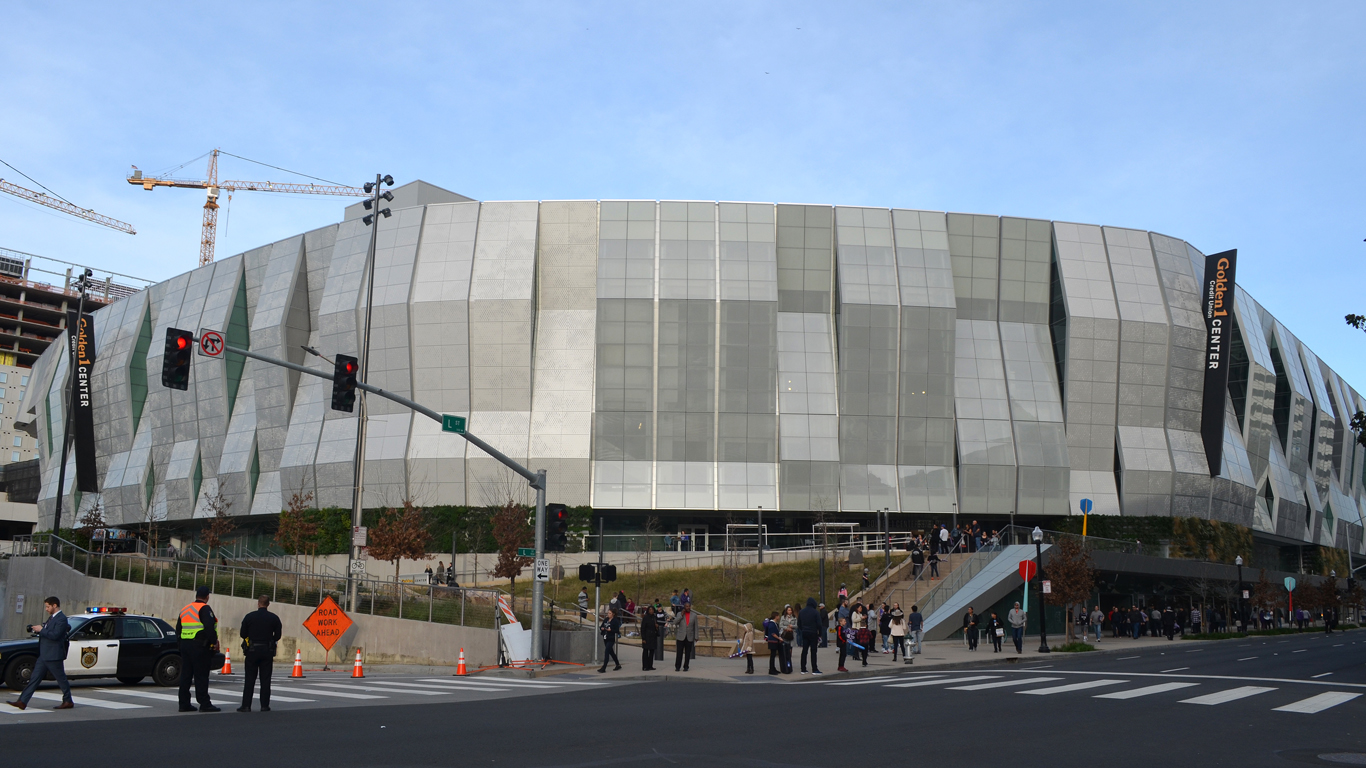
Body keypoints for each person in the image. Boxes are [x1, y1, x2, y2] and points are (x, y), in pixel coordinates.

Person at [7, 596, 73, 711]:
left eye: (48, 606)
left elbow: (55, 635)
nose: (46, 609)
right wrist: (38, 629)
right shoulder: (52, 618)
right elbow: (48, 632)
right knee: (34, 678)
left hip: (53, 655)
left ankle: (68, 700)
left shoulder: (61, 619)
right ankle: (22, 701)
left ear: (55, 605)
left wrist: (41, 630)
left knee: (61, 679)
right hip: (44, 654)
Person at [177, 585, 221, 712]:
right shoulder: (204, 608)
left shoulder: (185, 609)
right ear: (207, 597)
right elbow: (209, 627)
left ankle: (184, 703)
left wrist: (180, 644)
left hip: (185, 645)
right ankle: (204, 703)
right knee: (201, 675)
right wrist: (213, 643)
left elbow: (178, 629)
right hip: (199, 646)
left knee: (186, 675)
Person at [238, 595, 282, 712]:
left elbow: (243, 633)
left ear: (258, 603)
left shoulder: (249, 617)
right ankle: (264, 705)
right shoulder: (274, 618)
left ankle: (246, 705)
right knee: (265, 679)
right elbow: (277, 635)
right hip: (267, 651)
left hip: (252, 650)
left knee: (249, 679)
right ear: (268, 604)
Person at [798, 597, 823, 674]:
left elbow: (799, 623)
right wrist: (820, 634)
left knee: (804, 650)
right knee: (813, 651)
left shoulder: (801, 612)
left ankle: (803, 668)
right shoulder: (815, 612)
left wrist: (803, 629)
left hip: (805, 632)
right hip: (813, 632)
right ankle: (814, 669)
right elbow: (819, 624)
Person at [671, 603, 698, 671]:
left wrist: (696, 636)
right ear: (684, 607)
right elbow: (675, 622)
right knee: (679, 652)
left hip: (689, 636)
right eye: (686, 606)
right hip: (681, 636)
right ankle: (677, 666)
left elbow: (696, 627)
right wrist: (681, 615)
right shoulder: (679, 614)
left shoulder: (694, 615)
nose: (688, 607)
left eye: (689, 606)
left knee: (688, 653)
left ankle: (686, 666)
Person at [597, 608, 622, 673]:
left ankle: (604, 667)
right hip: (605, 637)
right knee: (611, 652)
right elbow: (601, 626)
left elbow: (617, 630)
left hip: (611, 638)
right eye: (608, 613)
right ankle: (618, 664)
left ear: (613, 614)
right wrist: (602, 628)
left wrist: (611, 630)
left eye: (610, 613)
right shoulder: (606, 620)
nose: (608, 614)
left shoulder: (615, 621)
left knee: (607, 651)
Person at [778, 605, 797, 674]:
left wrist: (792, 626)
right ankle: (786, 663)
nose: (790, 611)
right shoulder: (783, 617)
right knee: (785, 648)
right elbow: (781, 625)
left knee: (790, 648)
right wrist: (786, 628)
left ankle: (789, 662)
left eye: (791, 610)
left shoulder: (794, 618)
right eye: (788, 610)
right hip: (785, 634)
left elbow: (797, 625)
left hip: (792, 634)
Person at [763, 611, 783, 675]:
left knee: (774, 655)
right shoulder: (771, 624)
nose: (779, 617)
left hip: (775, 641)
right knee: (772, 655)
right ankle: (771, 669)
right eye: (778, 616)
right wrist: (779, 638)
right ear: (776, 616)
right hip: (772, 641)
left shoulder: (775, 624)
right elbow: (773, 633)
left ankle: (773, 668)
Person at [639, 604, 658, 670]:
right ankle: (645, 666)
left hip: (653, 637)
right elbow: (643, 628)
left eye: (652, 609)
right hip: (647, 636)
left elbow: (656, 627)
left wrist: (657, 627)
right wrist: (643, 638)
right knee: (645, 651)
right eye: (650, 610)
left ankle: (650, 665)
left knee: (652, 652)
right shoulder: (646, 618)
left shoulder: (654, 617)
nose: (651, 611)